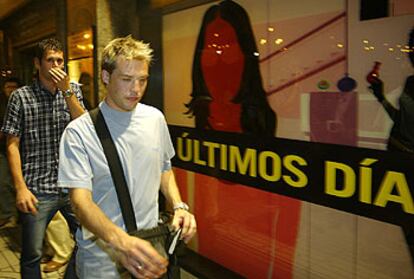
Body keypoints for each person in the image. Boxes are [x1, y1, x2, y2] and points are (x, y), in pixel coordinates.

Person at [57, 35, 197, 278]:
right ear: (105, 77)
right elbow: (80, 202)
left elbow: (163, 167)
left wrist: (179, 205)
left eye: (142, 80)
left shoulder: (155, 119)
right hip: (102, 264)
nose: (136, 89)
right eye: (126, 79)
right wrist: (123, 242)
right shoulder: (79, 132)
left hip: (151, 254)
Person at [0, 38, 85, 278]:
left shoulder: (73, 90)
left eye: (60, 60)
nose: (57, 65)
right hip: (37, 188)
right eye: (51, 60)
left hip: (72, 185)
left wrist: (67, 91)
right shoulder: (21, 97)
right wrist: (20, 188)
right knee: (32, 255)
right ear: (38, 63)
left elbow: (85, 127)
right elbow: (12, 145)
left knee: (88, 242)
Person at [368, 27, 414, 263]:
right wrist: (380, 97)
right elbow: (403, 124)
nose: (410, 54)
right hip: (401, 160)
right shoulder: (411, 82)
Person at [0, 77, 21, 228]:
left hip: (22, 151)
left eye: (14, 87)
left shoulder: (20, 103)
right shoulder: (2, 105)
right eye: (8, 87)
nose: (11, 90)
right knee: (5, 182)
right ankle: (9, 215)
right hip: (3, 150)